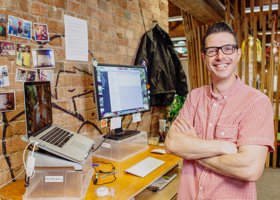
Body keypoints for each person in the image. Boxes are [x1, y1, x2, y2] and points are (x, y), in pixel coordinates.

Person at [165, 22, 275, 200]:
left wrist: (193, 149)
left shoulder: (257, 103)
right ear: (204, 57)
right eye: (212, 50)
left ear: (238, 54)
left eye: (227, 49)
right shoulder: (194, 97)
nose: (220, 56)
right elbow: (172, 143)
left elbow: (249, 168)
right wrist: (223, 147)